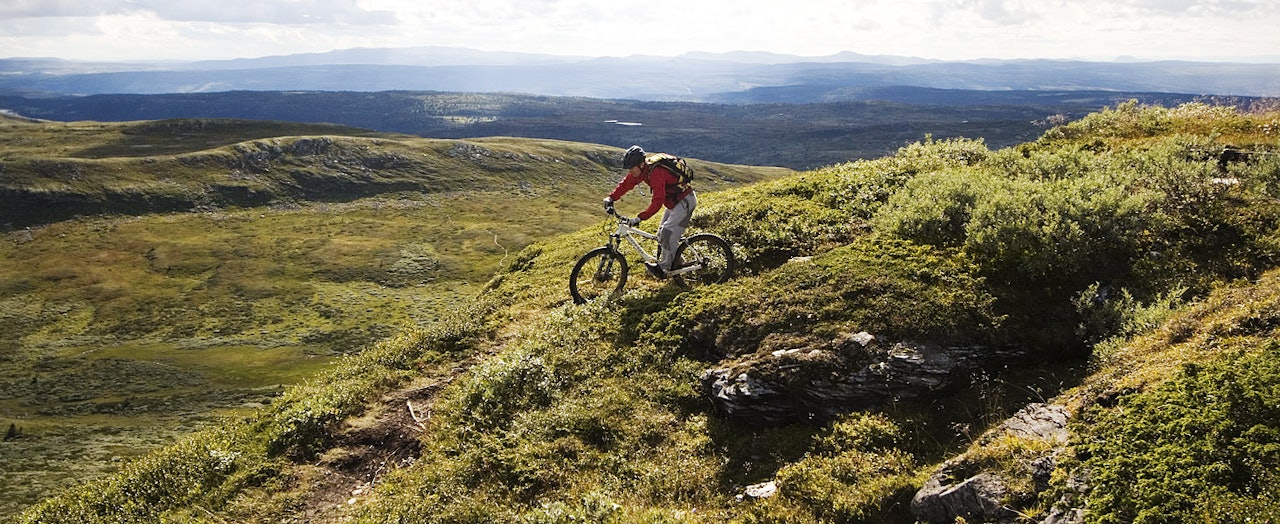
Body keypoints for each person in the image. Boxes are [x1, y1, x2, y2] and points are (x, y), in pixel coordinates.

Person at [603, 145, 697, 279]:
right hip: (673, 203)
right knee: (661, 235)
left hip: (685, 202)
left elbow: (658, 201)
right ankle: (678, 265)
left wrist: (640, 218)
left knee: (667, 232)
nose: (630, 171)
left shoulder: (656, 172)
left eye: (632, 168)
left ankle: (664, 269)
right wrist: (611, 197)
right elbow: (626, 184)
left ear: (641, 164)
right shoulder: (642, 171)